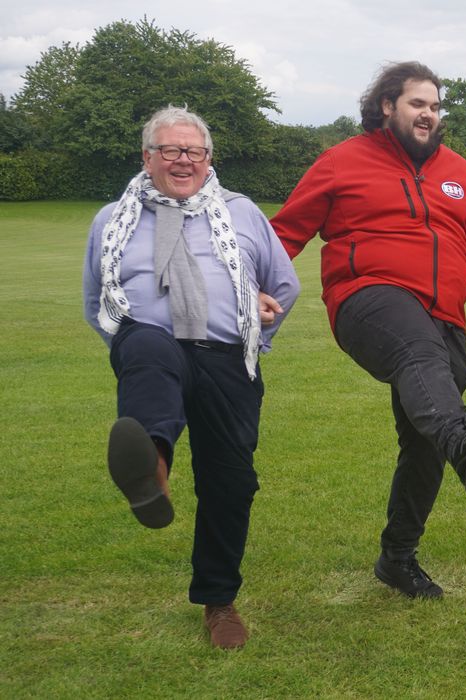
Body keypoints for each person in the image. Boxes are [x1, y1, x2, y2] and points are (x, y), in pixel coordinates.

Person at [270, 61, 466, 600]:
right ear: (387, 106)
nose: (429, 114)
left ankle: (398, 558)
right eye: (417, 104)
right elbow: (284, 233)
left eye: (435, 106)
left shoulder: (463, 173)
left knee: (424, 438)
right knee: (419, 356)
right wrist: (250, 286)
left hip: (445, 314)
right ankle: (465, 445)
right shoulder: (342, 162)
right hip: (367, 296)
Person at [83, 106, 300, 649]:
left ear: (208, 158)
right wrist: (127, 349)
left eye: (194, 151)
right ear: (147, 158)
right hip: (152, 348)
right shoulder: (112, 219)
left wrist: (256, 334)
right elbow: (95, 298)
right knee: (148, 346)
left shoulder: (242, 212)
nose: (183, 160)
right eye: (170, 150)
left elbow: (284, 286)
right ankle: (151, 468)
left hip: (226, 357)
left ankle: (218, 601)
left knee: (231, 483)